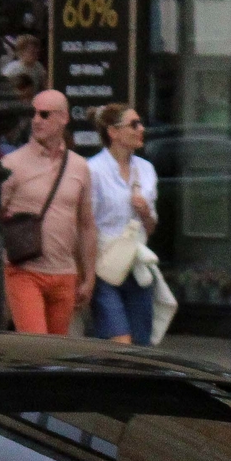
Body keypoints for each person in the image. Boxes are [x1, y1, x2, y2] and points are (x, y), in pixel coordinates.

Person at [0, 89, 95, 335]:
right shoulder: (12, 164)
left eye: (44, 114)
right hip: (24, 271)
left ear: (64, 118)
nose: (36, 120)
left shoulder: (79, 167)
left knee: (56, 353)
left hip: (64, 273)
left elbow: (86, 224)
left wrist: (89, 276)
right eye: (32, 114)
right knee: (35, 348)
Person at [86, 102, 162, 345]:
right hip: (104, 266)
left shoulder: (146, 169)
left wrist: (145, 212)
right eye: (133, 124)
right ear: (113, 132)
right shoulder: (93, 170)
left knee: (141, 346)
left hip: (137, 267)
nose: (141, 129)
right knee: (120, 341)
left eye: (140, 124)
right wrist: (86, 274)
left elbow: (150, 228)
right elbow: (86, 224)